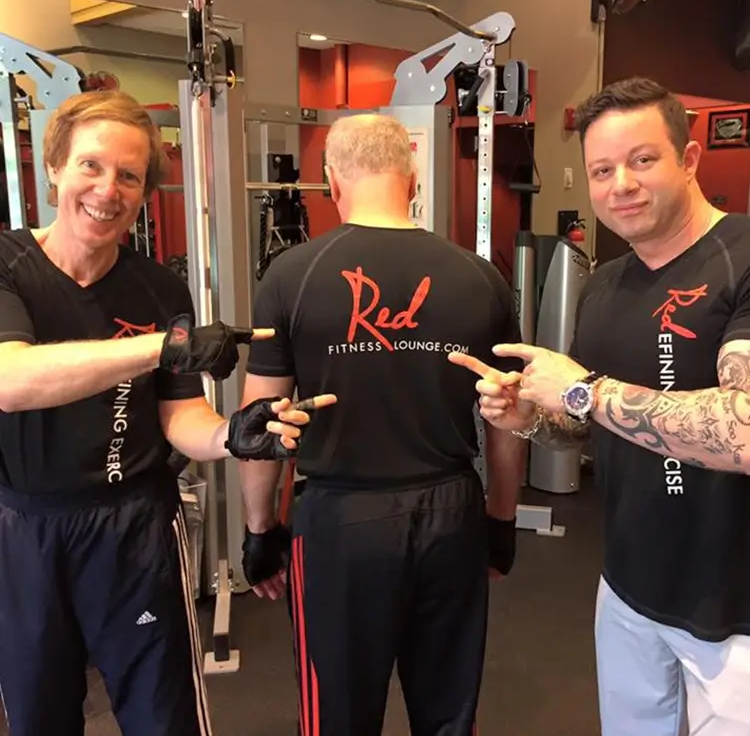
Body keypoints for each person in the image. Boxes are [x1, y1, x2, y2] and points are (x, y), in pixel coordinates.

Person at [0, 89, 333, 736]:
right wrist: (161, 345)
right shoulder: (8, 266)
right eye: (91, 166)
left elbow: (179, 416)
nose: (107, 190)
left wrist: (234, 436)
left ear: (145, 191)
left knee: (164, 716)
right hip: (26, 532)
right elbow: (10, 380)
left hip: (136, 529)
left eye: (129, 176)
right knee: (39, 717)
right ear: (54, 167)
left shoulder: (157, 288)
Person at [450, 77, 750, 736]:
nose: (622, 184)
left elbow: (744, 429)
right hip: (628, 591)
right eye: (603, 170)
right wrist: (533, 418)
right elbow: (583, 430)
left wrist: (584, 389)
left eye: (644, 160)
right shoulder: (606, 286)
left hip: (735, 618)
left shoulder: (744, 258)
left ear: (690, 159)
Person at [236, 113, 528, 736]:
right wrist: (500, 522)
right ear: (414, 176)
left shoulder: (292, 275)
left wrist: (261, 532)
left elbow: (262, 425)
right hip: (452, 511)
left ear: (331, 179)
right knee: (449, 713)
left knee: (336, 717)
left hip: (342, 523)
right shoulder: (482, 278)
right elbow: (506, 420)